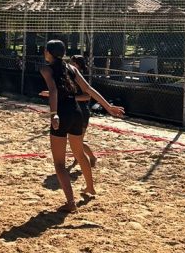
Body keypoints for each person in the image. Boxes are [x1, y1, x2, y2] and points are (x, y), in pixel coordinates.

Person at [40, 39, 125, 212]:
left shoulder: (46, 69)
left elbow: (54, 90)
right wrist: (108, 107)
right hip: (77, 113)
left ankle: (71, 203)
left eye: (45, 50)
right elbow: (89, 90)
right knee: (79, 153)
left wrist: (54, 113)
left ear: (48, 52)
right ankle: (90, 187)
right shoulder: (71, 68)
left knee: (59, 164)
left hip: (62, 114)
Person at [69, 54, 97, 170]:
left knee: (78, 141)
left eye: (71, 62)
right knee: (74, 140)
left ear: (76, 64)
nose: (69, 65)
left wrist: (71, 98)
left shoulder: (80, 79)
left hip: (82, 112)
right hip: (73, 111)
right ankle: (80, 158)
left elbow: (87, 96)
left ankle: (91, 157)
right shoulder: (71, 77)